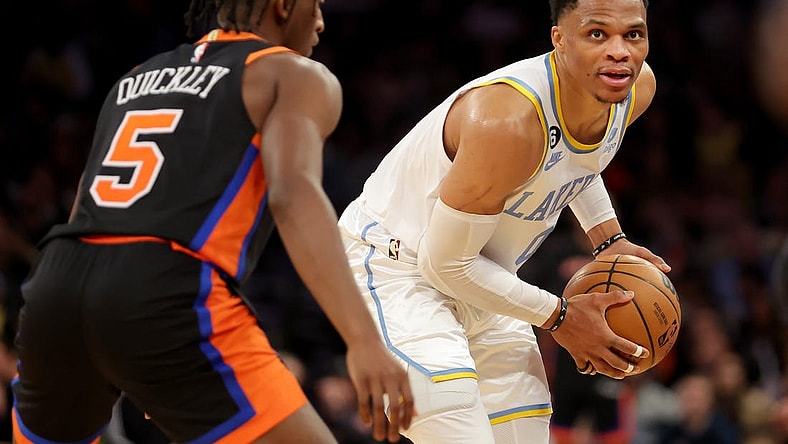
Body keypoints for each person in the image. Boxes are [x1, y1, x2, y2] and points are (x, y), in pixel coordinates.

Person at [11, 0, 414, 443]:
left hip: (58, 285)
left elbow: (85, 213)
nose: (320, 20)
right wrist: (363, 340)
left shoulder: (136, 77)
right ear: (282, 6)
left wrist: (129, 350)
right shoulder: (293, 74)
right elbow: (292, 193)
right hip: (165, 288)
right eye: (315, 4)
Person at [337, 0, 671, 442]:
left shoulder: (633, 90)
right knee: (457, 420)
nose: (620, 51)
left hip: (482, 273)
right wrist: (560, 316)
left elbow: (576, 160)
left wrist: (608, 238)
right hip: (398, 269)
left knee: (525, 434)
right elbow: (443, 266)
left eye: (633, 34)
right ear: (559, 39)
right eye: (597, 34)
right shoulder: (507, 120)